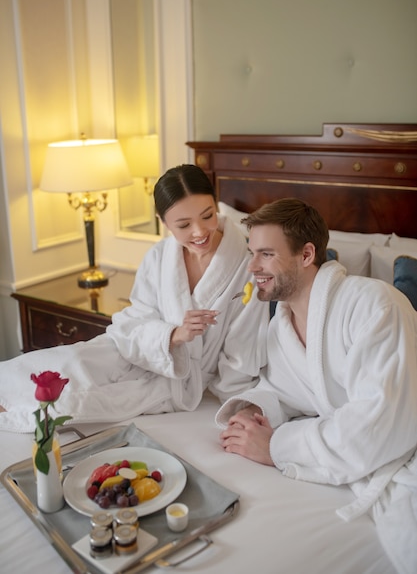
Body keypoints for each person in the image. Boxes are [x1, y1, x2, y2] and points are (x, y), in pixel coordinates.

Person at [216, 198, 417, 574]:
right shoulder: (283, 323)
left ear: (306, 254)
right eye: (251, 253)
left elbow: (377, 425)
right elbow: (286, 389)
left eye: (265, 254)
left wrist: (276, 446)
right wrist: (254, 411)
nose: (252, 267)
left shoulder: (376, 306)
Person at [0, 164, 269, 432]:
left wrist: (240, 406)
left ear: (215, 206)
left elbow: (241, 353)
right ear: (164, 223)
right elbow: (134, 319)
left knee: (76, 401)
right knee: (72, 361)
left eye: (208, 215)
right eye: (184, 225)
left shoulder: (247, 268)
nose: (199, 232)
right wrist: (173, 335)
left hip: (177, 379)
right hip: (134, 349)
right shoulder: (159, 256)